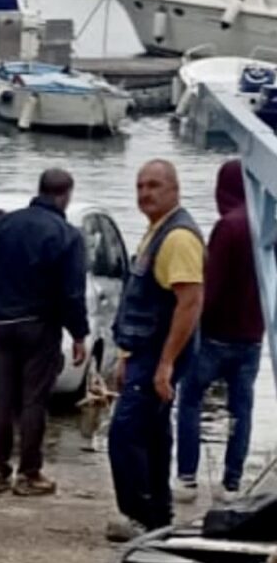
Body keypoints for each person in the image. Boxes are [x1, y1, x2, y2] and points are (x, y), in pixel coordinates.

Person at [0, 168, 88, 497]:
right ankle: (29, 473)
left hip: (3, 326)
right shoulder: (67, 236)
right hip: (40, 327)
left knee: (2, 398)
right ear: (66, 194)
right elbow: (72, 293)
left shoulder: (5, 225)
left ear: (41, 190)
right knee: (33, 401)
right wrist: (79, 335)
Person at [107, 159, 204, 543]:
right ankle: (159, 518)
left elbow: (190, 303)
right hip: (144, 353)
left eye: (154, 185)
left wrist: (165, 364)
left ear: (175, 189)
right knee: (152, 434)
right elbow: (142, 301)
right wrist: (125, 356)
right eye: (140, 186)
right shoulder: (156, 231)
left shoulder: (178, 237)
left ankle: (140, 515)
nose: (145, 193)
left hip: (161, 356)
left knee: (125, 434)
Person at [174, 159, 264, 503]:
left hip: (214, 336)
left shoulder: (229, 226)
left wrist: (190, 321)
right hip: (252, 336)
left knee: (191, 401)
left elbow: (212, 286)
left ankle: (186, 477)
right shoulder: (266, 225)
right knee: (241, 409)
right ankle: (231, 482)